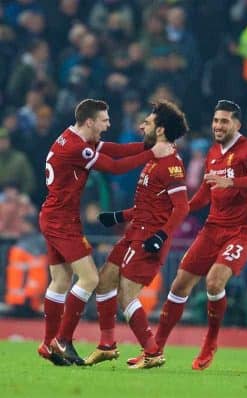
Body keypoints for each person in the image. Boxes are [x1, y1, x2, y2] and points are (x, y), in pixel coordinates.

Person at [127, 100, 247, 370]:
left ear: (237, 124)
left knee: (214, 282)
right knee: (179, 285)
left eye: (224, 121)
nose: (218, 126)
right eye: (216, 120)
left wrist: (233, 181)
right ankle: (154, 348)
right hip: (214, 226)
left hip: (242, 229)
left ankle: (210, 341)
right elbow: (205, 193)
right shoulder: (213, 153)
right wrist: (180, 211)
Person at [37, 99, 174, 366]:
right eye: (104, 120)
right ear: (90, 121)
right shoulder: (77, 148)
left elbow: (113, 150)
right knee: (89, 278)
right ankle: (61, 340)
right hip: (62, 221)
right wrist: (152, 153)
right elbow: (114, 166)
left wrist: (146, 145)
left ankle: (47, 342)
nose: (108, 124)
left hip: (53, 215)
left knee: (61, 280)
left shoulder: (69, 137)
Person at [83, 101, 189, 368]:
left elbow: (182, 207)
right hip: (135, 232)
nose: (142, 126)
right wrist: (119, 216)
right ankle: (107, 345)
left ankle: (152, 352)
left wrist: (162, 236)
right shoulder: (154, 158)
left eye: (148, 123)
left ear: (161, 130)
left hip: (149, 238)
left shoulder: (171, 165)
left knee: (127, 295)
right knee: (105, 280)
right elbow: (148, 205)